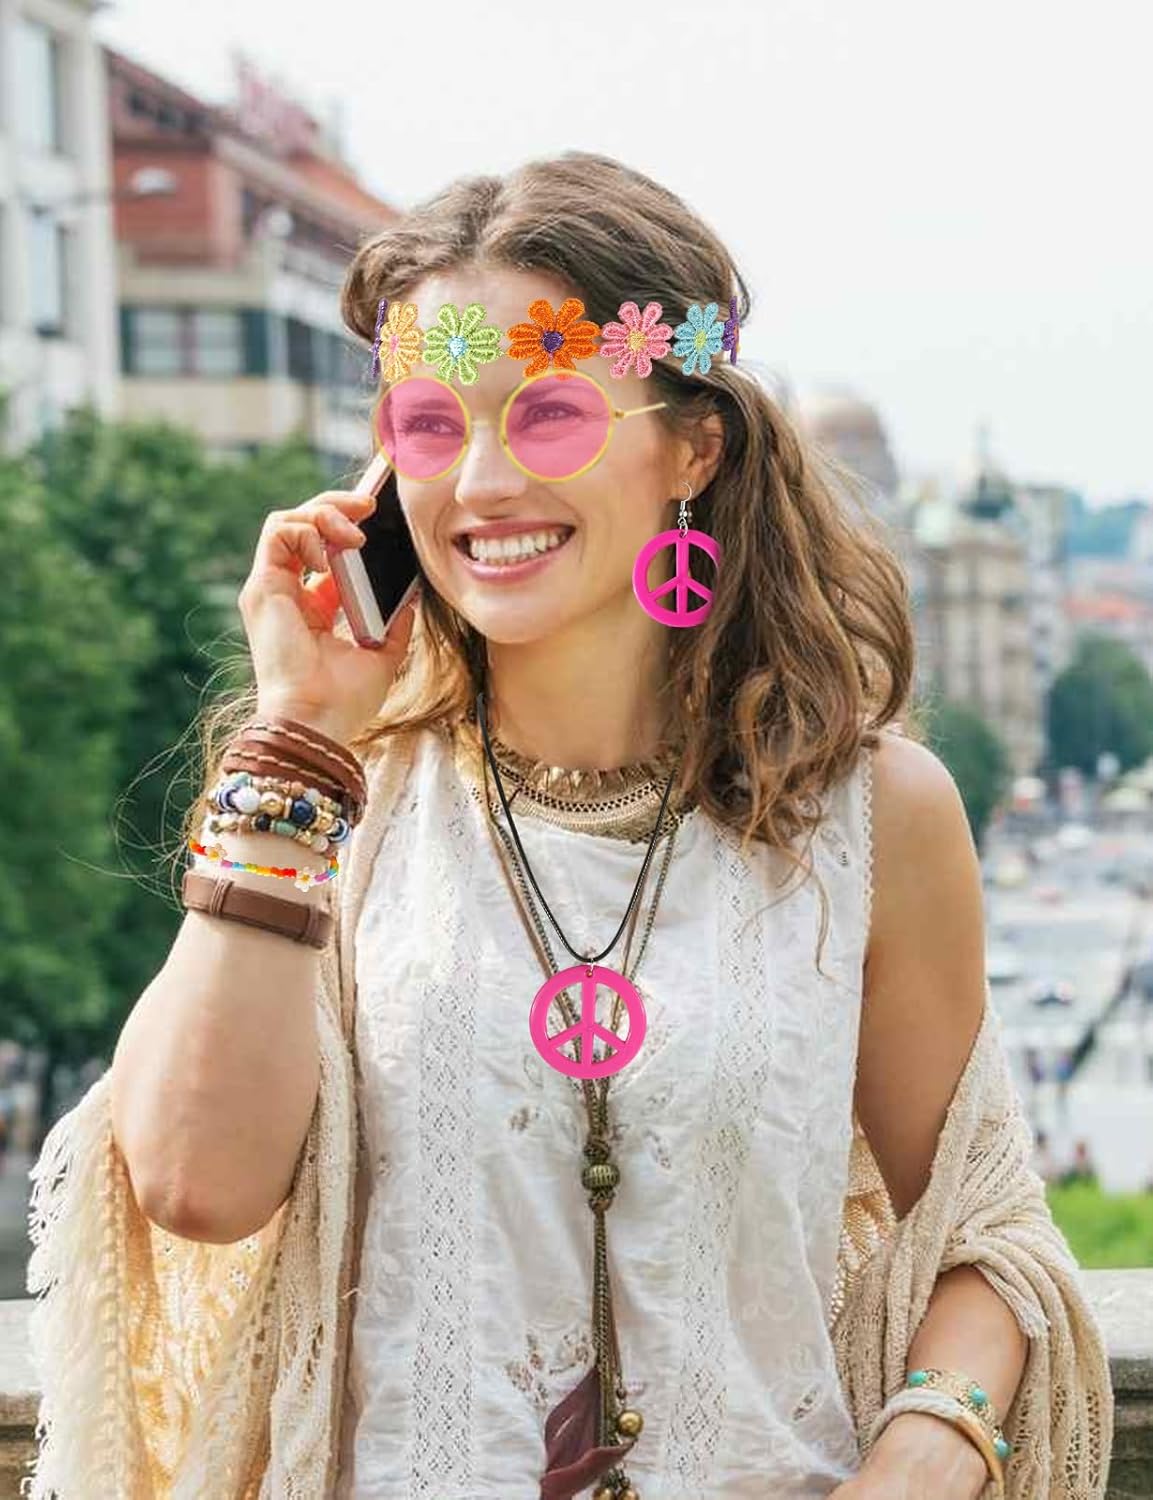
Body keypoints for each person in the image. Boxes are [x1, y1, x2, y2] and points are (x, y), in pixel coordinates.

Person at [23, 153, 1111, 1500]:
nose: (481, 482)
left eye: (548, 415)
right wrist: (301, 731)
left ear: (693, 447)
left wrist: (927, 1449)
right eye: (430, 426)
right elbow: (195, 1186)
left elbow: (981, 1229)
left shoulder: (871, 813)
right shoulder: (321, 802)